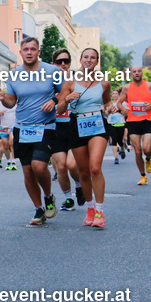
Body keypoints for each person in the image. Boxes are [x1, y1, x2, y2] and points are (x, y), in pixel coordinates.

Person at [0, 36, 63, 225]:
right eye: (25, 49)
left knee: (39, 166)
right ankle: (38, 209)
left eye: (32, 49)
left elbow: (65, 90)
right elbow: (12, 101)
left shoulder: (52, 71)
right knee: (27, 171)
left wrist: (55, 100)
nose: (29, 52)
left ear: (38, 52)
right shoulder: (15, 75)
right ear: (20, 52)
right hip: (22, 128)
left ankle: (49, 196)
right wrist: (3, 98)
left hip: (46, 126)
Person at [56, 47, 117, 228]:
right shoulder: (70, 82)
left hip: (97, 123)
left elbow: (107, 102)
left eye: (92, 57)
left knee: (95, 168)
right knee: (83, 172)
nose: (89, 60)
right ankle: (90, 208)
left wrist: (111, 107)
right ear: (80, 60)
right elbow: (59, 109)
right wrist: (66, 100)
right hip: (77, 124)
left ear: (96, 62)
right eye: (86, 57)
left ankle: (100, 211)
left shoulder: (103, 83)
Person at [116, 66, 151, 185]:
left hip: (147, 120)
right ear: (131, 74)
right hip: (133, 122)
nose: (137, 73)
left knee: (147, 149)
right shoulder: (126, 88)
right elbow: (119, 103)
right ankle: (143, 176)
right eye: (134, 72)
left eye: (139, 71)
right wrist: (123, 110)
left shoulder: (150, 86)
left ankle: (148, 158)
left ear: (142, 73)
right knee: (137, 151)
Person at [49, 49, 82, 210]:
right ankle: (68, 199)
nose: (63, 64)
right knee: (61, 166)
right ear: (53, 63)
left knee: (72, 164)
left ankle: (78, 185)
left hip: (73, 125)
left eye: (66, 61)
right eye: (59, 61)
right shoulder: (46, 82)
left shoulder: (77, 81)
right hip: (54, 127)